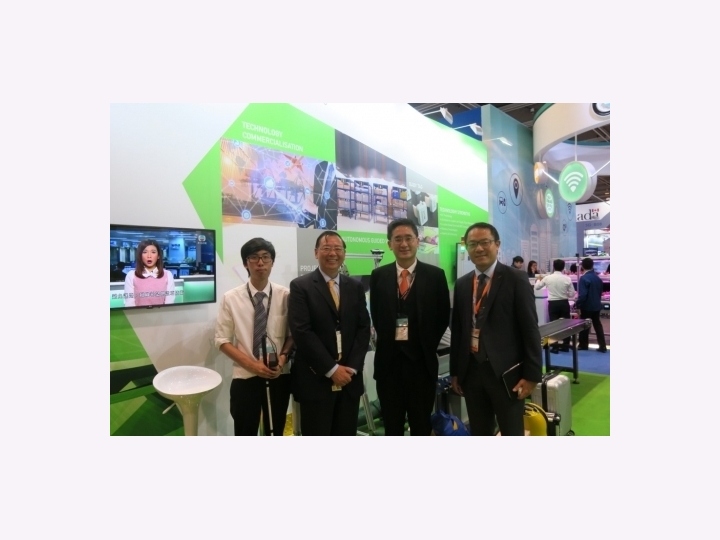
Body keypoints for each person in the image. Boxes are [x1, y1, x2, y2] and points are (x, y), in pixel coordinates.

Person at [450, 222, 542, 436]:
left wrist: (532, 375)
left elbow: (530, 329)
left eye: (485, 242)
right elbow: (459, 332)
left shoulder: (516, 279)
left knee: (511, 431)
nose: (479, 248)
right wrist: (456, 372)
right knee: (479, 431)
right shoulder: (462, 284)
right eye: (473, 244)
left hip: (506, 375)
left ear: (497, 244)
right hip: (471, 373)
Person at [369, 218, 450, 436]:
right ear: (390, 244)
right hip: (388, 366)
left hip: (422, 365)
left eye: (408, 238)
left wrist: (425, 345)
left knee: (421, 424)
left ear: (417, 241)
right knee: (392, 426)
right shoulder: (378, 276)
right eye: (398, 239)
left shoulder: (435, 276)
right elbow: (376, 315)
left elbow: (443, 317)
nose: (403, 244)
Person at [288, 231, 371, 436]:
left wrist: (352, 368)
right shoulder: (300, 286)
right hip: (316, 380)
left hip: (349, 380)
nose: (332, 253)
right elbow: (302, 332)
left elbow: (363, 328)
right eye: (326, 248)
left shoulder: (355, 286)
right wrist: (332, 369)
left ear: (344, 253)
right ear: (316, 252)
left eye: (337, 248)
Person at [215, 238, 294, 436]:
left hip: (278, 374)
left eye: (266, 257)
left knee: (275, 430)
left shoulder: (286, 296)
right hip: (245, 375)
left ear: (272, 262)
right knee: (245, 431)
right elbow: (222, 341)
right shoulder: (231, 298)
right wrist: (252, 365)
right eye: (254, 258)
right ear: (245, 263)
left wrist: (282, 359)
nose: (260, 263)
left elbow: (292, 335)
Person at [534, 259, 576, 353]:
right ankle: (565, 345)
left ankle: (554, 347)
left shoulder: (548, 278)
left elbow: (537, 287)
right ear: (563, 267)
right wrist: (565, 294)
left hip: (553, 303)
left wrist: (538, 280)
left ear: (553, 267)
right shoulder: (567, 278)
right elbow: (572, 294)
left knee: (553, 325)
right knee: (566, 324)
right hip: (564, 302)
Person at [124, 240, 176, 306]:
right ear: (140, 255)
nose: (149, 256)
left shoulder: (168, 275)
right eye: (145, 252)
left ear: (158, 256)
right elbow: (129, 304)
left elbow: (169, 303)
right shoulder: (131, 275)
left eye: (153, 252)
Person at [576, 257, 608, 353]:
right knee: (597, 325)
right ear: (592, 265)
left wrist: (577, 304)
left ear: (582, 266)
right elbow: (600, 292)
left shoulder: (583, 278)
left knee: (585, 325)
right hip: (596, 305)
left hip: (586, 306)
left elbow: (583, 295)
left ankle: (583, 345)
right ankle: (602, 346)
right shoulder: (598, 278)